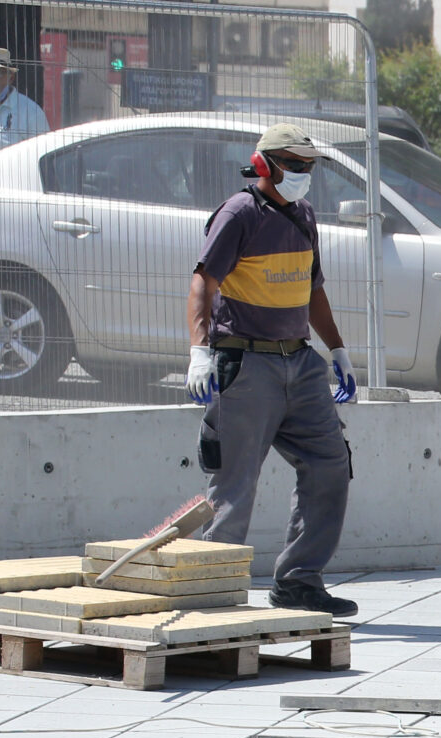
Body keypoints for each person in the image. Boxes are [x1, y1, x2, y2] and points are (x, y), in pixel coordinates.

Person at [185, 123, 360, 617]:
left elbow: (312, 288)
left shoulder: (304, 215)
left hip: (300, 363)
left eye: (309, 166)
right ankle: (214, 593)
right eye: (294, 164)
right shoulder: (239, 214)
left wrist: (338, 350)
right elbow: (204, 283)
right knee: (235, 484)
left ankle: (299, 580)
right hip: (247, 364)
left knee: (329, 464)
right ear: (263, 164)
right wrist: (200, 351)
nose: (303, 174)